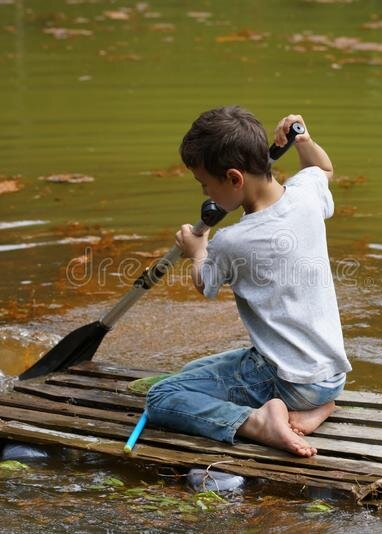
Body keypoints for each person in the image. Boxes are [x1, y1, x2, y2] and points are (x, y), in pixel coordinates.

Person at [145, 106, 351, 457]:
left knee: (163, 396)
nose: (207, 195)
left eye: (205, 184)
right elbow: (322, 169)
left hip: (288, 380)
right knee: (194, 370)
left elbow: (205, 284)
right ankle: (316, 408)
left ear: (235, 179)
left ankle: (258, 423)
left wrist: (198, 249)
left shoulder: (232, 241)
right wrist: (303, 140)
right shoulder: (304, 194)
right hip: (328, 375)